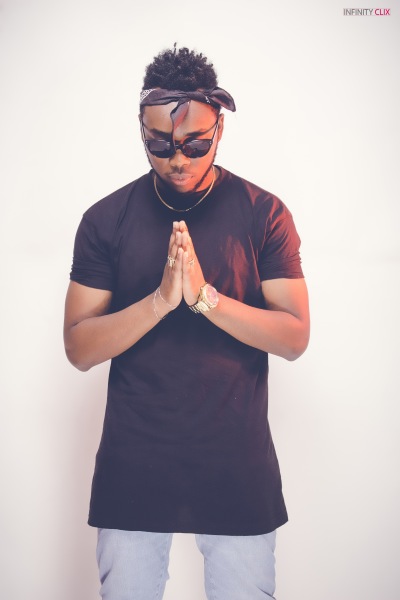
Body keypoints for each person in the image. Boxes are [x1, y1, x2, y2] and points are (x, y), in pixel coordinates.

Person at [64, 45, 310, 600]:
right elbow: (78, 347)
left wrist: (203, 298)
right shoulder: (106, 219)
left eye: (195, 142)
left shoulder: (264, 213)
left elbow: (295, 336)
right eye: (160, 143)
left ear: (219, 128)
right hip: (134, 459)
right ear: (141, 129)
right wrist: (159, 302)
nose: (178, 158)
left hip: (236, 459)